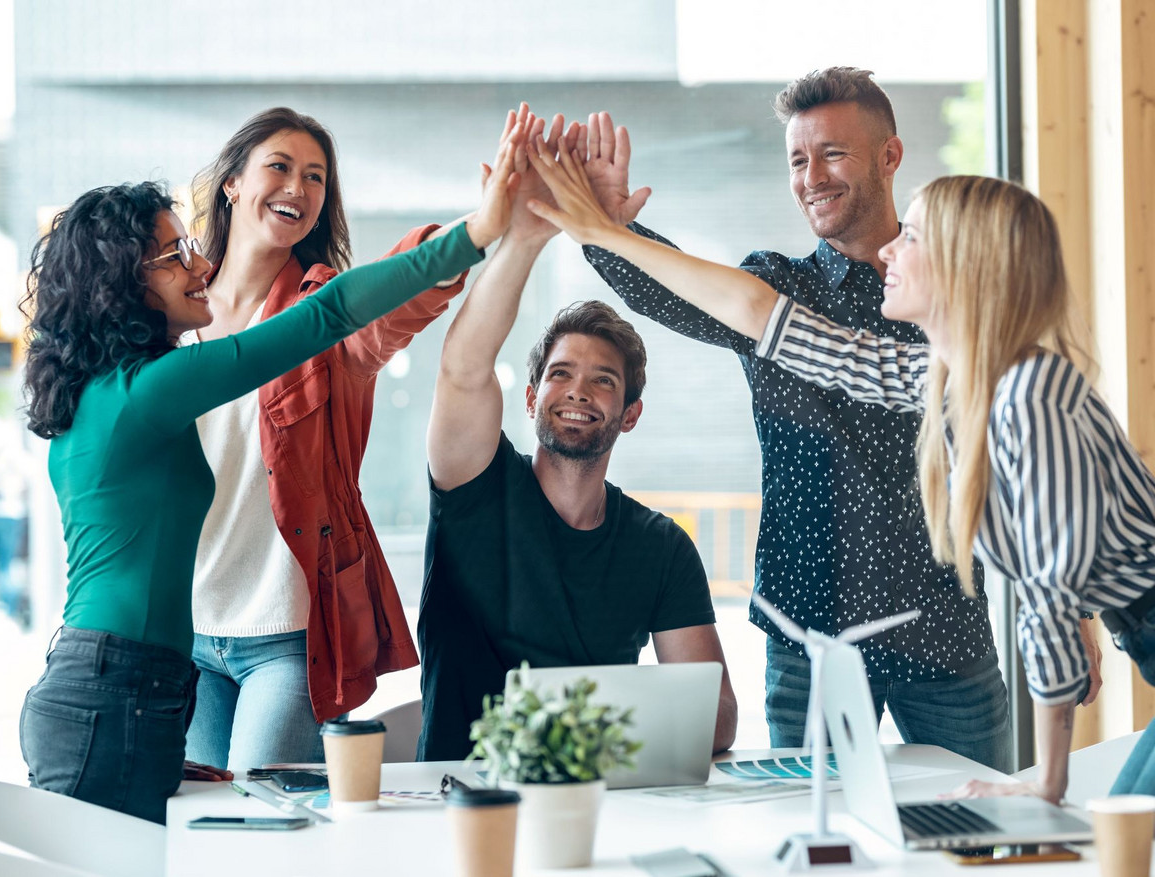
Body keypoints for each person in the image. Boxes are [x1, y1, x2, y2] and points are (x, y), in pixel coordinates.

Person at [527, 140, 1150, 805]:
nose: (889, 252)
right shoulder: (947, 379)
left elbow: (1052, 591)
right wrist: (602, 232)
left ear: (967, 266)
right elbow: (765, 319)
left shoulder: (1029, 394)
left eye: (910, 239)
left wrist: (1048, 781)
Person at [17, 136, 516, 822]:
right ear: (125, 281)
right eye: (172, 256)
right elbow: (329, 314)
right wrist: (479, 232)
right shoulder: (147, 391)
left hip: (123, 681)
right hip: (117, 687)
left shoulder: (100, 393)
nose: (197, 263)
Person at [417, 106, 738, 761]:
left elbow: (716, 721)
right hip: (462, 801)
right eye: (561, 375)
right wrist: (527, 238)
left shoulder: (660, 547)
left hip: (602, 800)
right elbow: (463, 366)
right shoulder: (474, 486)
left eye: (603, 382)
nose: (579, 392)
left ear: (630, 414)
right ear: (532, 397)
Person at [182, 107, 472, 770]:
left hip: (285, 637)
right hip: (183, 631)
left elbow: (400, 295)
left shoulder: (322, 313)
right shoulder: (169, 314)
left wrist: (481, 227)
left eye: (316, 177)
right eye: (279, 166)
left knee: (263, 824)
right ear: (231, 183)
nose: (299, 187)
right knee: (196, 832)